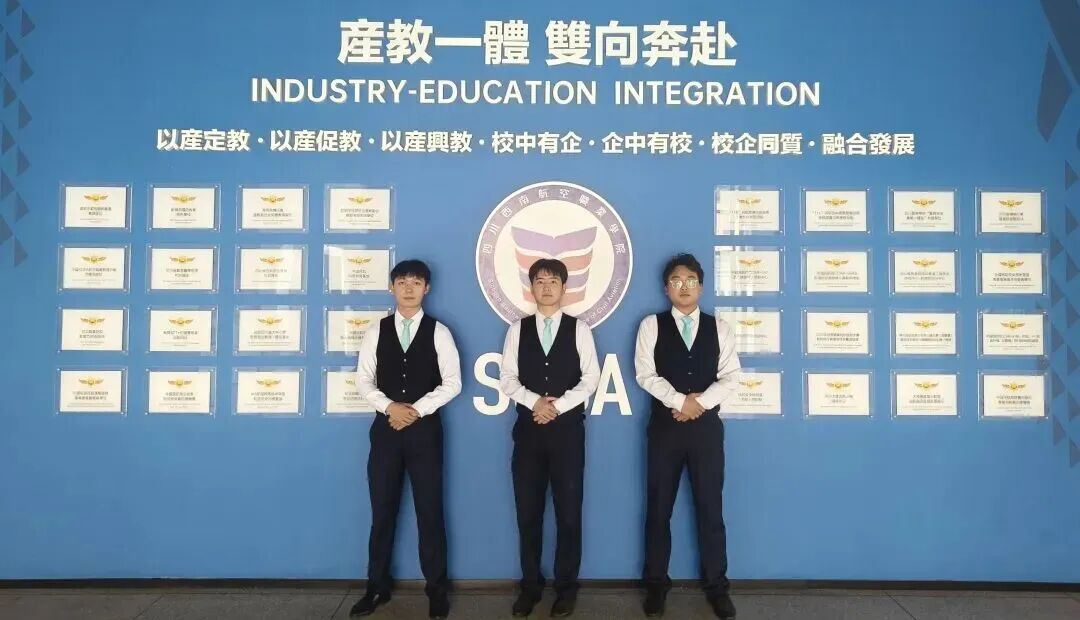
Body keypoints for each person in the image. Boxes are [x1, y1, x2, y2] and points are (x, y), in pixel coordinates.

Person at [351, 260, 462, 619]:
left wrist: (415, 410)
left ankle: (437, 590)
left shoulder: (439, 332)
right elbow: (363, 379)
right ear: (392, 287)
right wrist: (390, 407)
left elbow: (453, 383)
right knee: (382, 511)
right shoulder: (376, 331)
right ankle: (376, 587)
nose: (409, 288)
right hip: (385, 431)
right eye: (402, 282)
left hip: (425, 433)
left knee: (430, 512)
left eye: (416, 282)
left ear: (427, 288)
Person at [634, 253, 741, 619]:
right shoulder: (651, 325)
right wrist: (681, 401)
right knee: (658, 509)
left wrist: (699, 404)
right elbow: (645, 374)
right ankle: (655, 586)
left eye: (691, 280)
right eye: (676, 280)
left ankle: (717, 587)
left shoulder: (719, 327)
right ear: (666, 288)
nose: (684, 286)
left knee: (710, 509)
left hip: (706, 431)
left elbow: (731, 376)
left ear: (701, 286)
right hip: (665, 429)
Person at [499, 258, 601, 618]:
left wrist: (557, 406)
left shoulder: (579, 329)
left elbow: (591, 378)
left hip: (567, 434)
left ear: (564, 287)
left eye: (553, 281)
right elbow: (508, 378)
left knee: (568, 514)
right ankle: (530, 586)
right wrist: (534, 402)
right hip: (528, 434)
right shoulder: (518, 329)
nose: (546, 287)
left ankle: (566, 588)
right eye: (540, 281)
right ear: (531, 287)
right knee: (528, 513)